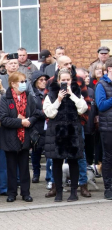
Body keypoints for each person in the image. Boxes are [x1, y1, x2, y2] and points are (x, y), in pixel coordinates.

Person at [44, 56, 92, 198]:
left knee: (74, 161)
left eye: (68, 80)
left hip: (72, 131)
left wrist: (72, 95)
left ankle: (74, 192)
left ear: (71, 80)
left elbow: (83, 108)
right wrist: (58, 99)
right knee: (57, 162)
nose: (65, 82)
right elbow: (48, 112)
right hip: (57, 131)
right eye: (63, 80)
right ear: (58, 81)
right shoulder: (52, 93)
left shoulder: (76, 92)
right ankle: (58, 191)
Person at [0, 72, 38, 203]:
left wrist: (28, 121)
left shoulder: (29, 97)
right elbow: (4, 119)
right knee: (11, 167)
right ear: (13, 83)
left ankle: (26, 193)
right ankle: (12, 193)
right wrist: (20, 122)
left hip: (25, 137)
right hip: (10, 138)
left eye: (24, 81)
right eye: (21, 82)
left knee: (24, 167)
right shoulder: (6, 98)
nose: (24, 84)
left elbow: (35, 114)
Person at [95, 58, 112, 199]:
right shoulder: (102, 84)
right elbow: (101, 106)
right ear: (110, 69)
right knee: (108, 158)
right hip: (108, 128)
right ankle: (108, 188)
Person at [30, 71, 50, 183]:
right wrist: (46, 113)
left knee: (49, 153)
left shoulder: (49, 93)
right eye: (41, 80)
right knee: (36, 152)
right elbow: (33, 110)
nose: (43, 82)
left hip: (48, 127)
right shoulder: (32, 95)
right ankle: (36, 173)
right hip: (37, 127)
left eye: (45, 80)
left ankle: (49, 175)